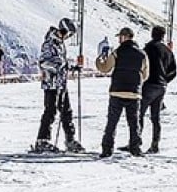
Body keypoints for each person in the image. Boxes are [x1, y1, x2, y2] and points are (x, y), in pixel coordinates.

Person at [33, 18, 85, 153]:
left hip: (61, 83)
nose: (69, 37)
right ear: (63, 31)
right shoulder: (49, 43)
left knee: (67, 111)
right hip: (51, 83)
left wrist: (74, 67)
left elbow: (62, 64)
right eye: (69, 34)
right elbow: (43, 63)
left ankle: (70, 139)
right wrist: (59, 65)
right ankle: (42, 140)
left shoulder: (60, 43)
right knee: (50, 111)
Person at [95, 27, 149, 157]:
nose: (119, 39)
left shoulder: (117, 52)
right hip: (134, 93)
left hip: (117, 91)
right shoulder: (142, 54)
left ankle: (107, 149)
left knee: (112, 122)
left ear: (125, 37)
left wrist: (99, 60)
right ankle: (135, 148)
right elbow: (145, 75)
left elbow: (105, 68)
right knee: (133, 122)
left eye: (120, 37)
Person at [140, 26, 177, 153]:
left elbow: (142, 66)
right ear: (163, 35)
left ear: (152, 34)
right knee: (155, 117)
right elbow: (173, 71)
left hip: (149, 84)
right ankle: (155, 144)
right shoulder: (168, 51)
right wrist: (165, 80)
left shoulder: (148, 48)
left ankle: (135, 142)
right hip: (161, 86)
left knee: (138, 114)